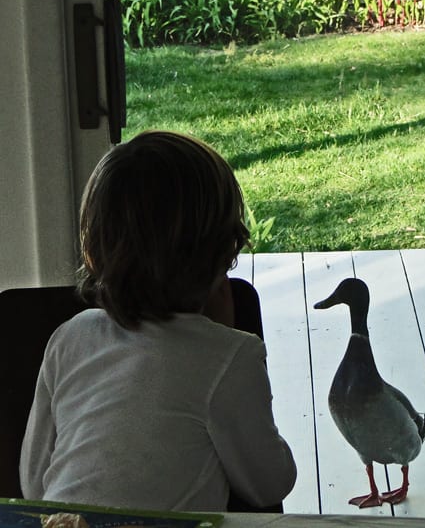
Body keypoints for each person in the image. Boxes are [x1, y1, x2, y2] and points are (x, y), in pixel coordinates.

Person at [19, 130, 297, 512]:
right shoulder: (231, 356)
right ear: (223, 253)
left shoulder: (71, 337)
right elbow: (268, 485)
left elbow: (36, 484)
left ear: (94, 250)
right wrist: (225, 337)